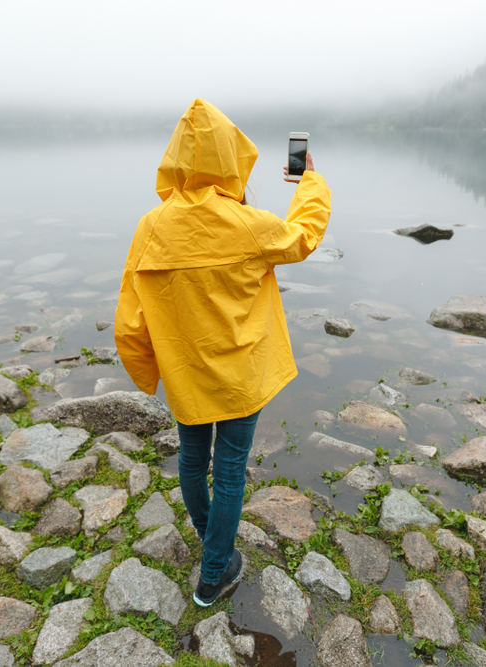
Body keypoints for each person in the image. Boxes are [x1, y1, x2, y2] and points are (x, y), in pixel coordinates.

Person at [114, 98, 331, 606]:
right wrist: (310, 182)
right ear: (231, 159)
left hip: (187, 374)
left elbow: (130, 316)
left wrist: (149, 370)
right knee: (230, 469)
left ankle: (212, 544)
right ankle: (214, 572)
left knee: (193, 462)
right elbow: (303, 237)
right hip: (240, 375)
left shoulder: (151, 227)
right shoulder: (248, 223)